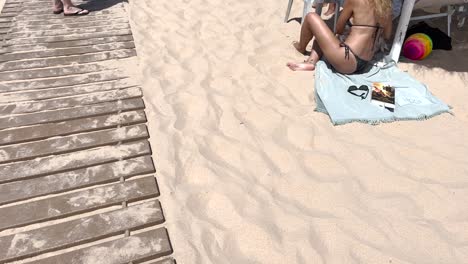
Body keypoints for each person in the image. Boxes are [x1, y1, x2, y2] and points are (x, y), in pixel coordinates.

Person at [287, 0, 392, 74]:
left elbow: (338, 29)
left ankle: (301, 48)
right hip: (365, 61)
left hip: (347, 59)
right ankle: (311, 62)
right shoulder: (386, 6)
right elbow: (387, 35)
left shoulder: (356, 1)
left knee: (311, 17)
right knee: (324, 35)